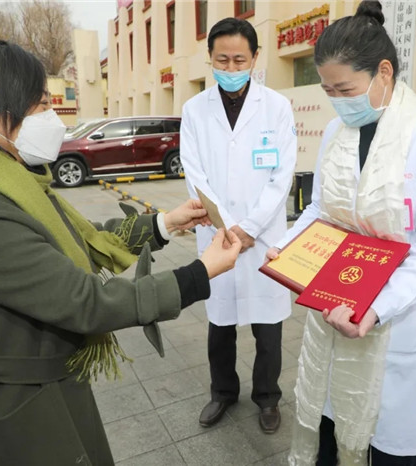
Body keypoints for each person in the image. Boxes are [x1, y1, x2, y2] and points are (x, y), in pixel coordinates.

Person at [0, 39, 242, 466]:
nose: (50, 117)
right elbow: (85, 302)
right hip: (16, 415)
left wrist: (165, 223)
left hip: (53, 385)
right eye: (38, 105)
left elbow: (82, 239)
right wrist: (198, 274)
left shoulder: (10, 179)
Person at [266, 1, 416, 464]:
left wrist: (377, 309)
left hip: (397, 320)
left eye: (346, 89)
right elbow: (321, 209)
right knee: (330, 436)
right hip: (337, 308)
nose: (338, 100)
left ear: (383, 73)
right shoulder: (337, 131)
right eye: (328, 90)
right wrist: (288, 249)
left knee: (389, 450)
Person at [180, 18, 297, 434]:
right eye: (222, 60)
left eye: (239, 60)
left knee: (268, 326)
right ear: (210, 59)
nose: (230, 68)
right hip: (217, 233)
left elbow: (282, 176)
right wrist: (227, 227)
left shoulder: (277, 107)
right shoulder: (194, 109)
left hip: (262, 236)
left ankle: (267, 397)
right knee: (220, 322)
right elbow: (194, 172)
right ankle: (223, 392)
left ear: (255, 58)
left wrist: (248, 229)